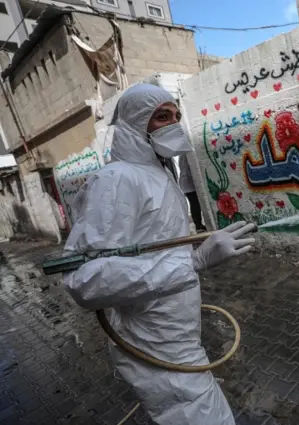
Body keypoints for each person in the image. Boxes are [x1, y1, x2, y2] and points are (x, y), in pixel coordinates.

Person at [62, 83, 255, 425]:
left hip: (177, 335)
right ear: (136, 124)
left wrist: (194, 245)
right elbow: (85, 279)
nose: (174, 123)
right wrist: (193, 261)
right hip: (152, 342)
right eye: (162, 117)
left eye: (176, 115)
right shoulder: (116, 179)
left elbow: (153, 245)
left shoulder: (160, 174)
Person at [178, 153, 207, 232]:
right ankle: (198, 225)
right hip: (189, 181)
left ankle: (198, 224)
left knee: (194, 204)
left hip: (186, 181)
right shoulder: (187, 153)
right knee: (195, 204)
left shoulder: (182, 154)